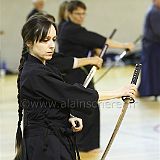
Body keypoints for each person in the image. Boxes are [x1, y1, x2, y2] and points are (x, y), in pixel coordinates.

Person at [14, 15, 137, 160]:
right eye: (45, 40)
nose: (52, 45)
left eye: (54, 39)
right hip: (46, 146)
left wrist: (67, 118)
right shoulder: (35, 73)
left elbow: (47, 104)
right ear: (29, 42)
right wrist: (118, 92)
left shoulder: (41, 66)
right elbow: (71, 95)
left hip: (49, 138)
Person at [58, 0, 134, 152]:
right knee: (86, 106)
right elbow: (100, 40)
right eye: (77, 13)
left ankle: (83, 144)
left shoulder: (72, 28)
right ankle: (82, 145)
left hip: (81, 73)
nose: (81, 17)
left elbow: (85, 44)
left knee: (87, 107)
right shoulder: (70, 29)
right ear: (69, 14)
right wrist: (124, 45)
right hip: (74, 75)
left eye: (83, 14)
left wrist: (94, 51)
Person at [138, 0, 160, 100]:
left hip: (154, 45)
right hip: (151, 46)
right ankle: (147, 91)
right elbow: (158, 31)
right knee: (151, 69)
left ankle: (153, 91)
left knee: (153, 69)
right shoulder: (154, 12)